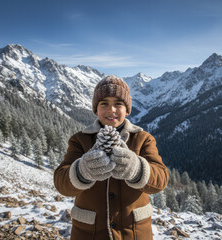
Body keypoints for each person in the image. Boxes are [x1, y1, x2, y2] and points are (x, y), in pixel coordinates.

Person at [54, 75, 169, 240]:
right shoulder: (80, 140)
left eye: (118, 104)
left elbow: (161, 180)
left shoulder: (143, 138)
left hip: (134, 233)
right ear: (96, 109)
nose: (111, 110)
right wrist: (81, 171)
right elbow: (61, 183)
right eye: (104, 104)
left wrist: (137, 169)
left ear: (127, 110)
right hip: (89, 233)